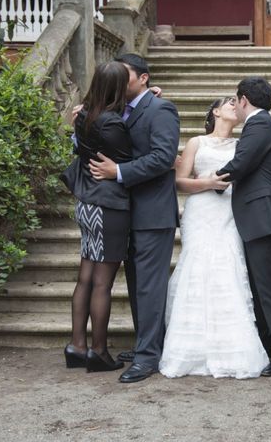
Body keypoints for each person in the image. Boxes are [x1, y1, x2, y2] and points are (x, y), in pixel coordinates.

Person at [159, 97, 269, 379]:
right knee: (197, 268)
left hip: (229, 213)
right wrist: (207, 183)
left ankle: (231, 348)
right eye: (228, 102)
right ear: (215, 112)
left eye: (237, 102)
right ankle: (190, 348)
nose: (235, 105)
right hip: (200, 211)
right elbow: (179, 181)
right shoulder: (197, 142)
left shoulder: (242, 145)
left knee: (227, 268)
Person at [89, 53, 180, 383]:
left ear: (143, 78)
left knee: (150, 288)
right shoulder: (118, 112)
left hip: (154, 214)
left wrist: (120, 171)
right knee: (137, 285)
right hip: (125, 213)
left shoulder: (161, 109)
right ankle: (147, 343)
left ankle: (148, 357)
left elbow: (163, 157)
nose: (116, 80)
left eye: (123, 75)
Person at [216, 77, 271, 377]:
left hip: (266, 219)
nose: (234, 107)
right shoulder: (261, 124)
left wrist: (207, 182)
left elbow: (240, 163)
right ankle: (270, 344)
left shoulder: (260, 124)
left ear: (243, 100)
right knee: (262, 288)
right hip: (259, 219)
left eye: (235, 102)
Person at [60, 61, 132, 372]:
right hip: (107, 205)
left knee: (86, 277)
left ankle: (77, 345)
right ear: (118, 88)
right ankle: (99, 351)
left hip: (87, 202)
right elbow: (131, 159)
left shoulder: (85, 115)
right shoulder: (112, 123)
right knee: (103, 283)